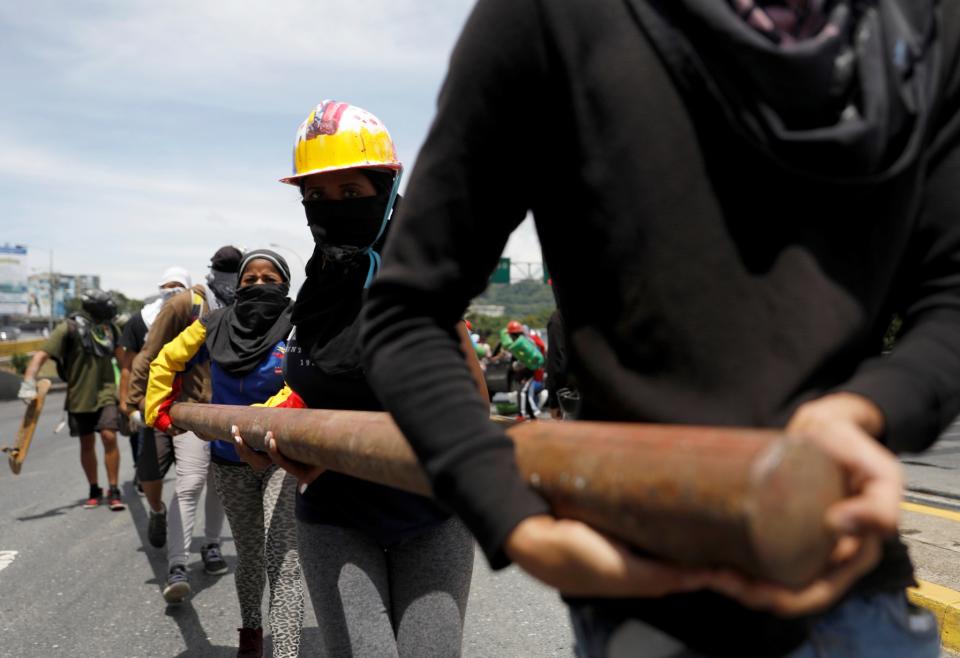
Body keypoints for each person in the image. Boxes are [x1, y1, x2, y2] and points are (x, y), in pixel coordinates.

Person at [360, 1, 960, 657]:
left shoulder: (927, 24)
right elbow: (407, 310)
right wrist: (515, 521)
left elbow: (950, 292)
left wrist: (870, 409)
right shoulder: (549, 17)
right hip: (651, 617)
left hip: (862, 605)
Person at [235, 101, 484, 658]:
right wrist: (273, 443)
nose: (333, 209)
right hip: (335, 518)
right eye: (317, 197)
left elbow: (470, 410)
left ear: (388, 190)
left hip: (431, 515)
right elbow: (305, 393)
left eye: (351, 195)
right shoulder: (316, 290)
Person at [146, 250, 303, 658]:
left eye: (269, 278)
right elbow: (166, 361)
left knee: (282, 557)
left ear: (285, 284)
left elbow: (308, 380)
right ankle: (251, 633)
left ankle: (286, 650)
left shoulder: (300, 325)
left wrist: (260, 421)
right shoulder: (212, 325)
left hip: (280, 458)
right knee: (249, 557)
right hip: (228, 461)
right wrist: (160, 412)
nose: (257, 285)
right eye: (249, 280)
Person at [127, 247, 240, 603]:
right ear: (212, 272)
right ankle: (178, 564)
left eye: (235, 270)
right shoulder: (186, 304)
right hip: (191, 409)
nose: (230, 278)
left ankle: (210, 546)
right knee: (190, 483)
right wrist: (137, 403)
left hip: (229, 411)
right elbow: (149, 353)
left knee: (219, 485)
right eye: (225, 271)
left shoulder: (245, 305)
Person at [20, 289, 125, 510]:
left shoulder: (110, 329)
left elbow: (126, 363)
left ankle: (114, 489)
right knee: (86, 443)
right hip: (79, 395)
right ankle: (94, 488)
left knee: (109, 436)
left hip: (106, 392)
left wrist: (132, 394)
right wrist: (29, 382)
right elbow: (42, 354)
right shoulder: (69, 327)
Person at [117, 266, 191, 491]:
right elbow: (128, 366)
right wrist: (125, 402)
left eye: (178, 287)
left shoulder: (197, 319)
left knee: (190, 478)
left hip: (187, 403)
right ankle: (157, 511)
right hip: (151, 402)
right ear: (160, 288)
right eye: (167, 287)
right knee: (149, 472)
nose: (172, 291)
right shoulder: (141, 320)